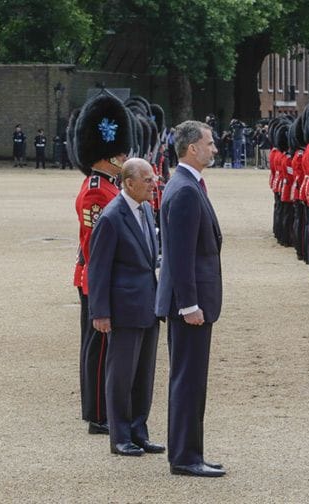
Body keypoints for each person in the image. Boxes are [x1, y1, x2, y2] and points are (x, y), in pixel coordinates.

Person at [155, 120, 226, 477]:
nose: (214, 149)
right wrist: (189, 305)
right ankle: (184, 456)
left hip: (194, 300)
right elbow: (180, 256)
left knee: (192, 380)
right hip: (190, 305)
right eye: (209, 144)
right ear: (192, 148)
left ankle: (190, 452)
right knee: (188, 380)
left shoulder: (186, 184)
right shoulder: (184, 189)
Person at [88, 158, 164, 457]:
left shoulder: (145, 209)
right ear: (129, 183)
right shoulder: (111, 217)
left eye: (153, 179)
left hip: (147, 303)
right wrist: (100, 312)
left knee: (143, 375)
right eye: (147, 180)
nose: (153, 184)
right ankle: (120, 436)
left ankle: (138, 431)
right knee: (121, 376)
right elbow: (98, 269)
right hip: (123, 307)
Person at [73, 91, 132, 436]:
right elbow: (96, 247)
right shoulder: (97, 189)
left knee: (97, 345)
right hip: (96, 278)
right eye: (121, 152)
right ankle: (97, 413)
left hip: (99, 277)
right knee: (98, 348)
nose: (125, 157)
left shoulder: (108, 185)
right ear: (109, 154)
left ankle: (95, 407)